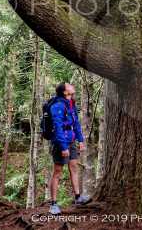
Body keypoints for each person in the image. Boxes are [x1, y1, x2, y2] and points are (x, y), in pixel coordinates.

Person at [48, 82, 90, 214]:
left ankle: (78, 197)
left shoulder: (71, 103)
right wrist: (63, 146)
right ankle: (53, 204)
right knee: (58, 172)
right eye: (69, 86)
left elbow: (76, 123)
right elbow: (58, 127)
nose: (72, 85)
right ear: (65, 92)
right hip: (61, 143)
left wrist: (81, 140)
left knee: (74, 167)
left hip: (71, 141)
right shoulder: (58, 105)